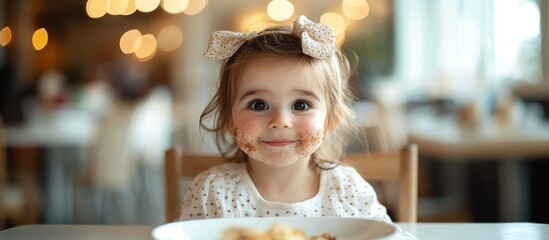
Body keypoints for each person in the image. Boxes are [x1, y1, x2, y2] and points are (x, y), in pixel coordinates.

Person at [180, 16, 412, 238]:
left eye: (301, 105)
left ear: (331, 121)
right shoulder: (212, 192)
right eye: (258, 104)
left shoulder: (347, 190)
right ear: (229, 121)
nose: (280, 120)